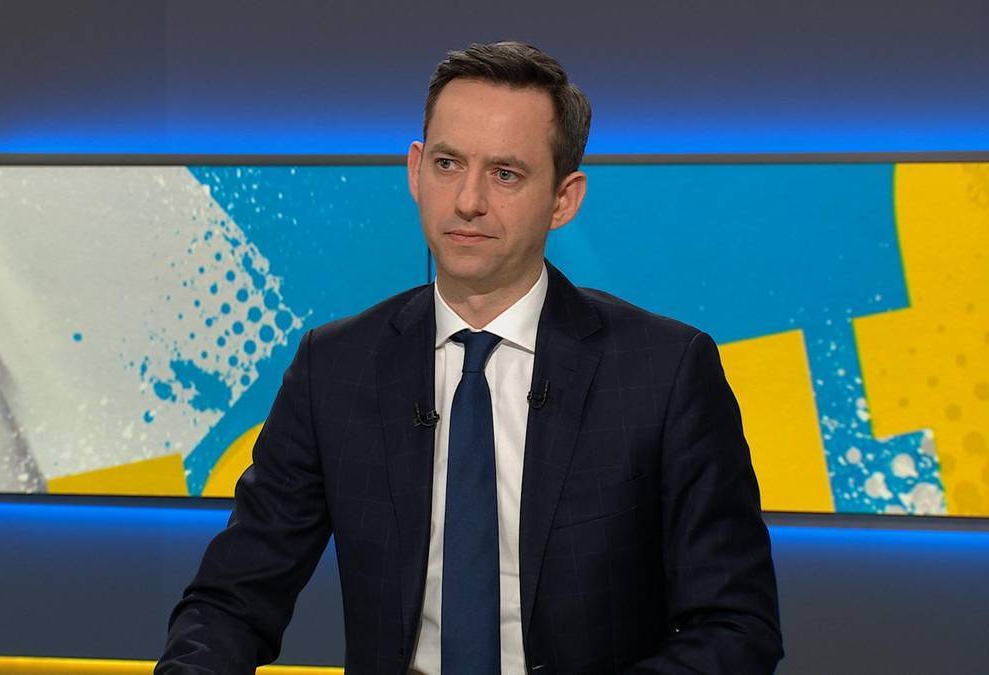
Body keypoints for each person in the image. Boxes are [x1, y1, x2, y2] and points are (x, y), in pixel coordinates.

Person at [157, 41, 783, 674]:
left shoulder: (663, 372)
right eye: (448, 164)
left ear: (564, 199)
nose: (467, 201)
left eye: (505, 174)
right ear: (415, 170)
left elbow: (736, 629)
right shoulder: (336, 368)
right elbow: (231, 602)